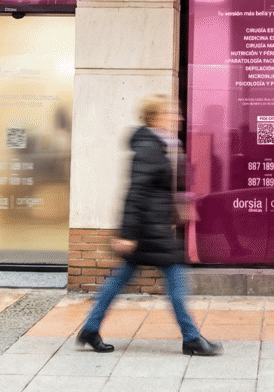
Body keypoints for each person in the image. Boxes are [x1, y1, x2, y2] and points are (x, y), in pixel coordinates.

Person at [76, 94, 222, 356]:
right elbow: (136, 192)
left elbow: (158, 189)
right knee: (175, 282)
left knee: (120, 280)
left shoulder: (161, 145)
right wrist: (127, 234)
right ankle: (191, 338)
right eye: (171, 113)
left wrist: (179, 205)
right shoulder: (149, 148)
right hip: (149, 230)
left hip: (152, 227)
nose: (178, 117)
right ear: (156, 117)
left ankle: (90, 328)